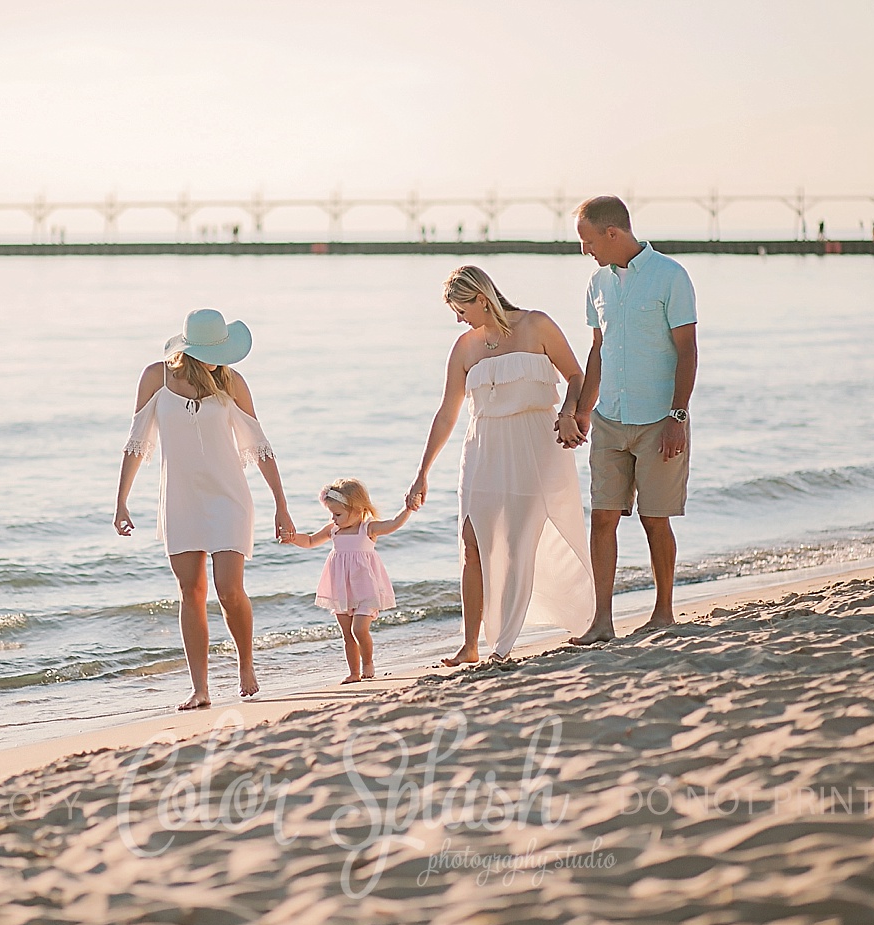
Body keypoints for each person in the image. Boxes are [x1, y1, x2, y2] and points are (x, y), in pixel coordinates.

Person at [406, 265, 594, 664]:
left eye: (461, 309)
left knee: (516, 544)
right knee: (472, 544)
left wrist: (567, 412)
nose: (459, 319)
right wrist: (423, 472)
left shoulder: (537, 325)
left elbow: (576, 376)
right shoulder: (464, 347)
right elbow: (446, 414)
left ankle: (505, 644)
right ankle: (470, 645)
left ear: (481, 298)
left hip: (534, 447)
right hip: (482, 450)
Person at [114, 309, 296, 710]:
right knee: (190, 591)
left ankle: (245, 664)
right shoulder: (155, 378)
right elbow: (136, 441)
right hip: (180, 498)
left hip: (229, 496)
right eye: (215, 351)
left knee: (230, 590)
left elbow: (259, 447)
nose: (222, 358)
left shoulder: (231, 382)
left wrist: (281, 505)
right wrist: (121, 500)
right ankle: (200, 688)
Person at [569, 196, 698, 644]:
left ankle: (663, 612)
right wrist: (581, 411)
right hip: (609, 419)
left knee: (654, 518)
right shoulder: (596, 284)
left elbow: (687, 350)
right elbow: (597, 350)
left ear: (613, 233)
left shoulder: (670, 276)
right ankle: (601, 622)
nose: (585, 250)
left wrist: (677, 415)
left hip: (658, 418)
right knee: (602, 517)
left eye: (587, 240)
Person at [281, 478, 411, 683]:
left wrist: (408, 509)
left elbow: (393, 524)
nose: (333, 518)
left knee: (359, 629)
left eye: (338, 514)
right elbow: (310, 541)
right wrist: (292, 537)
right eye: (331, 514)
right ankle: (354, 672)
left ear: (358, 509)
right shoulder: (333, 529)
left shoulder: (368, 529)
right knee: (347, 634)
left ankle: (368, 663)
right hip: (341, 589)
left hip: (365, 588)